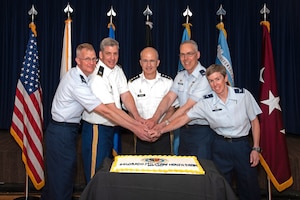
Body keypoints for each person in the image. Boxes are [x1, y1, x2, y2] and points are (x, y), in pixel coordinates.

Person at [41, 43, 149, 200]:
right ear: (77, 60)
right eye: (87, 59)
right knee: (64, 181)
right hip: (63, 132)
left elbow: (124, 95)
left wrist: (137, 120)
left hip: (67, 132)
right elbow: (106, 110)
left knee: (60, 179)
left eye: (93, 59)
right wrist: (136, 127)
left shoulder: (84, 77)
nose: (91, 63)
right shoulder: (81, 81)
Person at [150, 64, 262, 200]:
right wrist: (161, 130)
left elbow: (254, 122)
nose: (215, 84)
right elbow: (183, 119)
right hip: (220, 146)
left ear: (225, 78)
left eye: (218, 79)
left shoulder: (243, 95)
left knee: (249, 187)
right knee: (220, 187)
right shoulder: (206, 102)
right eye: (211, 81)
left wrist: (256, 148)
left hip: (242, 146)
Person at [81, 38, 145, 183]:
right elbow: (111, 110)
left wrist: (137, 117)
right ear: (100, 55)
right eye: (108, 54)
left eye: (115, 54)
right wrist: (136, 126)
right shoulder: (97, 76)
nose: (112, 58)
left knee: (105, 173)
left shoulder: (117, 69)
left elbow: (126, 94)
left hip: (110, 128)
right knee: (95, 175)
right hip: (96, 129)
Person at [146, 40, 214, 160]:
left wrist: (163, 124)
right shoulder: (180, 76)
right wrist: (155, 118)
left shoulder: (205, 77)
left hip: (201, 133)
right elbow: (168, 98)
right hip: (183, 131)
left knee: (201, 172)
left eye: (189, 54)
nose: (185, 58)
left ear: (197, 55)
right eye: (182, 54)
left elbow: (187, 107)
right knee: (184, 170)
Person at [127, 47, 178, 154]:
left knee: (164, 169)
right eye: (145, 61)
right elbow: (130, 112)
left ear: (158, 62)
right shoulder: (132, 84)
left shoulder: (168, 82)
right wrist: (140, 128)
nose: (148, 65)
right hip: (141, 134)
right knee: (141, 169)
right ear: (140, 62)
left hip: (163, 134)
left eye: (152, 61)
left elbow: (171, 110)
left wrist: (160, 127)